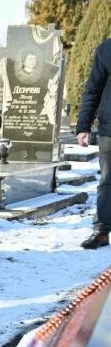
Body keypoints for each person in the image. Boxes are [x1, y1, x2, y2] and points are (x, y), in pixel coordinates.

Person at [76, 38, 111, 249]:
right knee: (107, 182)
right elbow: (93, 89)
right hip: (110, 129)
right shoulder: (107, 49)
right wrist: (83, 126)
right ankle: (101, 231)